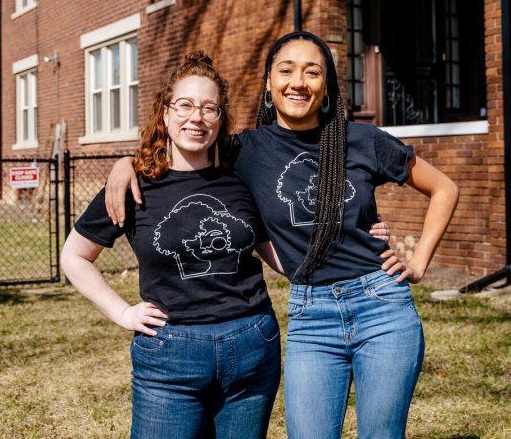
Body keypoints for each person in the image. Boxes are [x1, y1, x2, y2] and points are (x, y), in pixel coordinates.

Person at [105, 32, 459, 439]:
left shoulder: (362, 140)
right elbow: (185, 148)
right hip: (311, 315)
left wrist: (417, 264)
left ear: (325, 86)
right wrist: (124, 164)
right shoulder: (243, 151)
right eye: (286, 70)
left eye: (312, 72)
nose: (298, 81)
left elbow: (444, 188)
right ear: (269, 84)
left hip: (382, 306)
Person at [61, 53, 281, 439]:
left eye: (209, 108)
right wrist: (122, 313)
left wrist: (356, 249)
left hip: (253, 346)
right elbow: (75, 255)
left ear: (220, 119)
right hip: (169, 357)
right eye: (184, 105)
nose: (196, 117)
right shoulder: (135, 185)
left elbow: (276, 249)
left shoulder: (242, 177)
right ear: (165, 114)